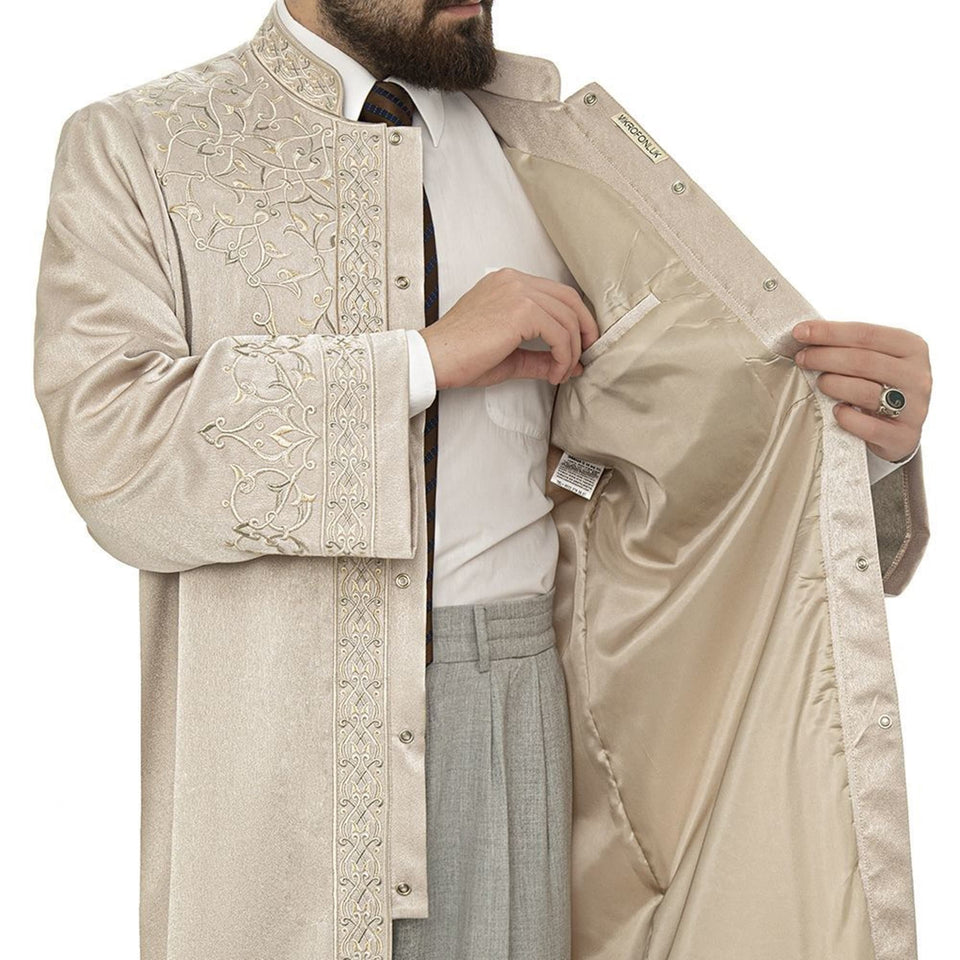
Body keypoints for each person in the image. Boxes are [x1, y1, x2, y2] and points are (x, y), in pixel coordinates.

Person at [33, 1, 931, 959]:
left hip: (515, 710)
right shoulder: (139, 147)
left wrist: (855, 444)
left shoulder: (552, 145)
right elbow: (116, 456)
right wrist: (423, 360)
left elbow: (679, 467)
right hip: (268, 753)